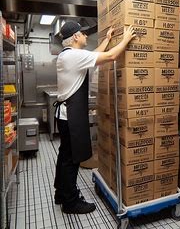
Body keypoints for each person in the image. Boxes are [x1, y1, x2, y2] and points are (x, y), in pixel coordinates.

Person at [54, 21, 136, 214]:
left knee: (65, 156)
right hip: (70, 116)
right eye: (82, 34)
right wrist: (125, 39)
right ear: (75, 37)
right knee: (71, 160)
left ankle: (61, 193)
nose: (85, 36)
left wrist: (107, 40)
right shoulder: (73, 56)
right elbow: (111, 56)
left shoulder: (69, 55)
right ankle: (70, 202)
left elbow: (96, 55)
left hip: (66, 115)